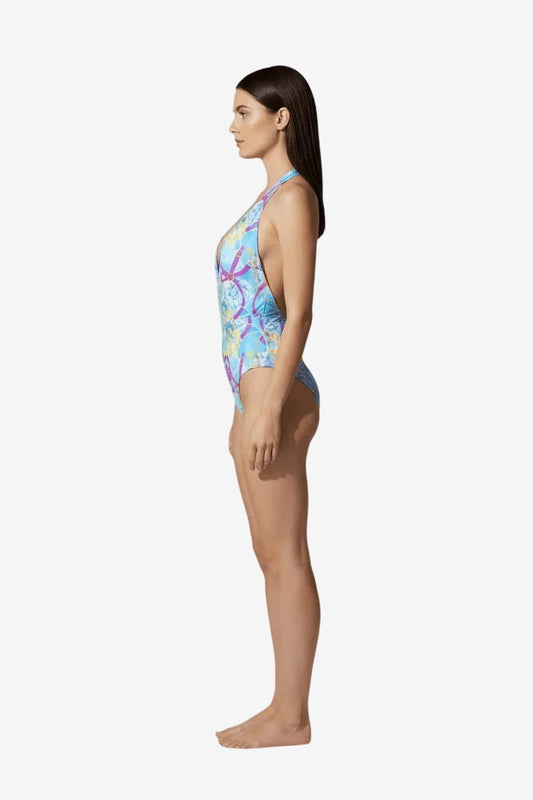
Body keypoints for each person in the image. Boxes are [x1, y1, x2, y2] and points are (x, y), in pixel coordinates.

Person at [214, 65, 325, 749]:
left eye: (243, 113)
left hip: (273, 391)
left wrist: (268, 409)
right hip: (251, 392)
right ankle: (282, 707)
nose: (232, 127)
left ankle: (291, 716)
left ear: (281, 118)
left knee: (285, 554)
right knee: (269, 554)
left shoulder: (293, 197)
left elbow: (301, 313)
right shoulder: (268, 199)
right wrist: (245, 411)